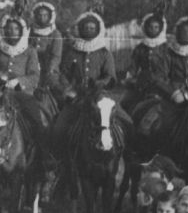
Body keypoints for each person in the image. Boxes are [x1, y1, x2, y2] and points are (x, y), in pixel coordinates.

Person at [52, 10, 131, 150]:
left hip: (100, 96)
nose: (89, 30)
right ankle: (60, 158)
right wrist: (68, 89)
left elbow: (110, 76)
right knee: (59, 127)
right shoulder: (72, 52)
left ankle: (127, 154)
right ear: (80, 29)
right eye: (86, 28)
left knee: (127, 121)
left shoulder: (104, 53)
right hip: (77, 97)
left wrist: (100, 84)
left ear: (97, 30)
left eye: (92, 28)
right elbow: (63, 74)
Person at [0, 14, 45, 134]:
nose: (12, 32)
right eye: (9, 28)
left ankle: (40, 143)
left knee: (35, 119)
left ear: (22, 31)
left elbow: (34, 76)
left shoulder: (30, 51)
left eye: (16, 29)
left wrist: (18, 81)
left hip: (23, 94)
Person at [122, 12, 170, 114]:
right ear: (145, 28)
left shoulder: (166, 48)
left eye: (156, 27)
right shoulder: (140, 48)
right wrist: (129, 77)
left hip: (163, 83)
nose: (153, 30)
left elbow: (171, 67)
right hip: (142, 83)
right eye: (150, 27)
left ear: (160, 29)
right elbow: (133, 66)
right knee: (124, 103)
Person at [29, 1, 62, 92]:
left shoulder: (55, 34)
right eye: (40, 15)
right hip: (32, 66)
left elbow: (56, 56)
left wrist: (50, 69)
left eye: (45, 15)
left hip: (48, 67)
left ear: (50, 16)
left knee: (52, 86)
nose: (42, 18)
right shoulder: (31, 31)